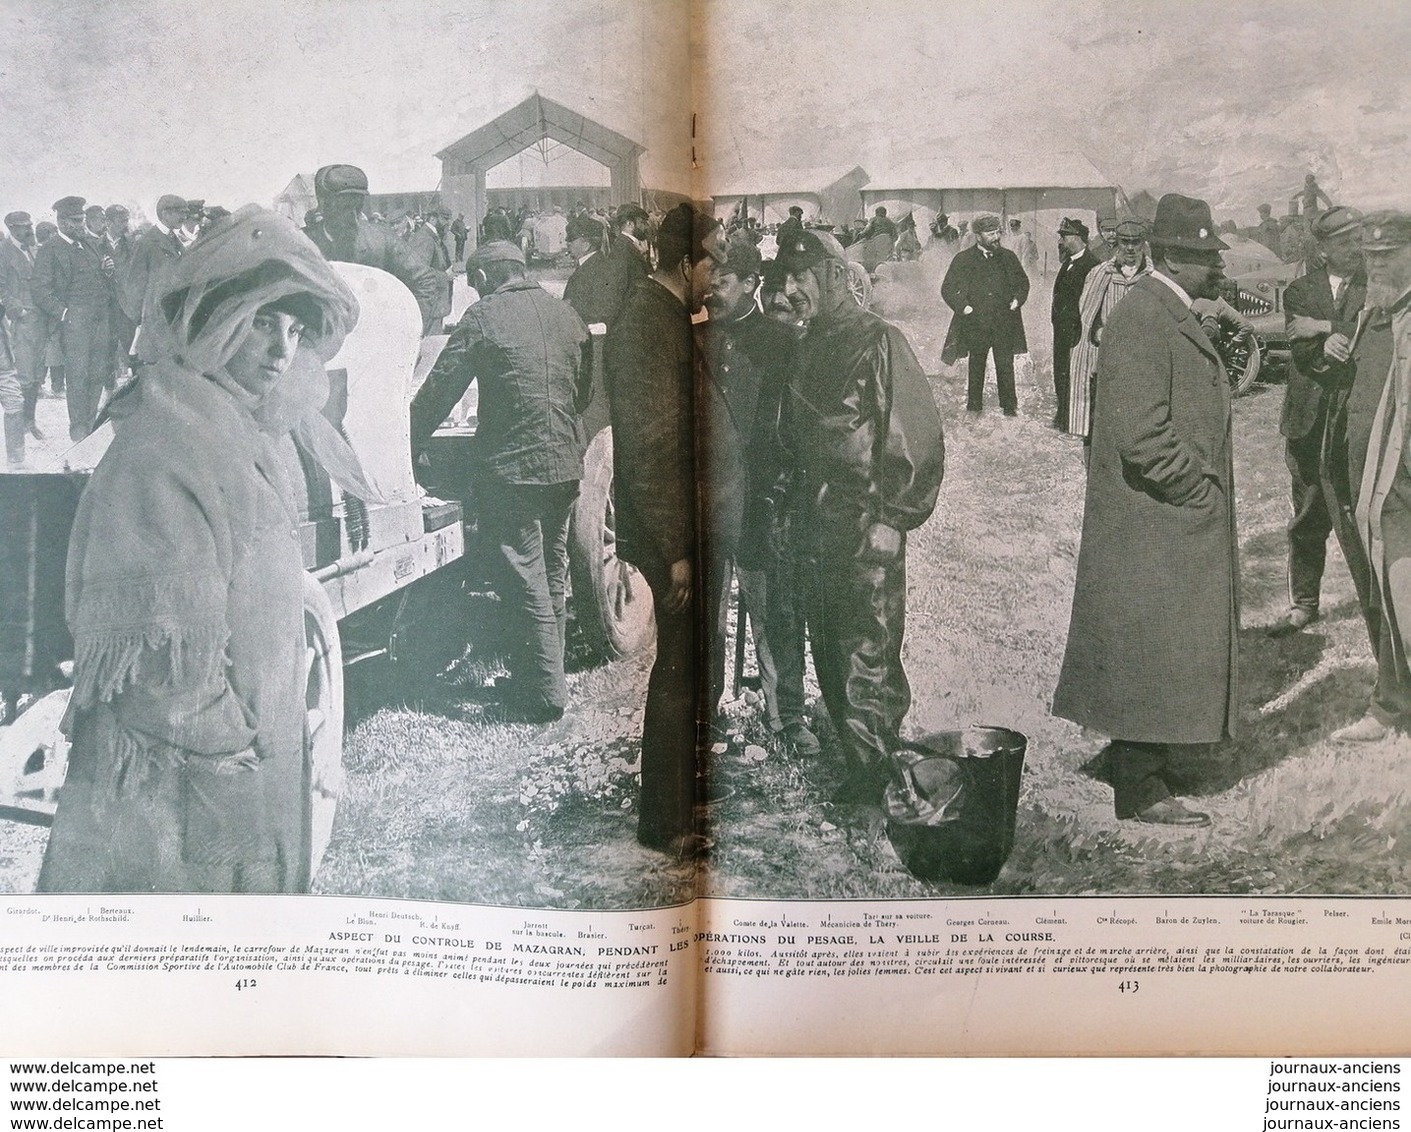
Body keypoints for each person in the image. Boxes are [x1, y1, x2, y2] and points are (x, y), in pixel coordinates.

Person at [37, 205, 359, 893]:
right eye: (262, 323)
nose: (280, 349)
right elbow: (161, 672)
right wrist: (237, 758)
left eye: (294, 330)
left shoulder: (241, 436)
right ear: (214, 325)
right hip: (172, 800)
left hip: (240, 769)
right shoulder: (166, 449)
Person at [1053, 193, 1237, 827]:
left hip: (1160, 514)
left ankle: (1144, 753)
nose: (1218, 269)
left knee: (1156, 639)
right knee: (1149, 640)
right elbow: (1139, 432)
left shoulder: (1166, 309)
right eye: (1207, 257)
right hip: (1155, 513)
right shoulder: (1145, 314)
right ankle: (1141, 786)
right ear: (1174, 258)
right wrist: (1194, 489)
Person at [775, 228, 945, 812]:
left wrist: (893, 518)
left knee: (866, 653)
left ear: (831, 276)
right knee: (828, 646)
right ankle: (861, 766)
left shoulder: (879, 339)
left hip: (865, 523)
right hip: (814, 525)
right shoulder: (804, 343)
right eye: (786, 278)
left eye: (803, 277)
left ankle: (879, 786)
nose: (792, 289)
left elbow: (914, 436)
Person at [410, 241, 591, 723]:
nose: (475, 293)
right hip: (566, 464)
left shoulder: (484, 317)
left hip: (514, 468)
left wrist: (405, 441)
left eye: (475, 284)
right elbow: (584, 390)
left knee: (522, 573)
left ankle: (544, 695)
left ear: (487, 277)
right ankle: (544, 676)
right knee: (551, 567)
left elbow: (440, 390)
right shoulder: (566, 313)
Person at [604, 204, 720, 859]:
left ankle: (680, 796)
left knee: (688, 665)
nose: (718, 274)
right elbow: (649, 448)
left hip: (681, 525)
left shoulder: (665, 315)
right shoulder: (644, 323)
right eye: (713, 262)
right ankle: (665, 821)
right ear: (684, 263)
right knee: (678, 669)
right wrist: (676, 550)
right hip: (671, 533)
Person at [700, 237, 818, 755]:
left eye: (722, 282)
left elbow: (795, 428)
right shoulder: (696, 341)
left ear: (751, 283)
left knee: (775, 612)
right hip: (706, 501)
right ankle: (704, 713)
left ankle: (787, 716)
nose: (711, 292)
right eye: (709, 281)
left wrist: (783, 495)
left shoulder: (782, 343)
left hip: (759, 502)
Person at [1270, 206, 1366, 640]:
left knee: (1360, 514)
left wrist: (1326, 326)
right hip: (1308, 423)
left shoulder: (1374, 287)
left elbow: (1373, 329)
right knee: (1308, 516)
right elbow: (1302, 350)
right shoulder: (1299, 292)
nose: (1356, 246)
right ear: (1324, 250)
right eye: (1346, 240)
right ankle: (1304, 604)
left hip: (1354, 422)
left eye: (1359, 237)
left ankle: (1374, 601)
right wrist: (1322, 346)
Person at [1349, 211, 1411, 743]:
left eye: (1388, 254)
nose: (1377, 264)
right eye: (1370, 256)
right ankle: (1390, 703)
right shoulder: (1378, 311)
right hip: (1389, 483)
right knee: (1394, 598)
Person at [304, 163, 447, 334]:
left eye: (357, 207)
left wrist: (408, 330)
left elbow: (424, 280)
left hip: (373, 339)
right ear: (323, 204)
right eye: (343, 207)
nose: (351, 216)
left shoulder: (383, 240)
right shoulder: (301, 243)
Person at [31, 196, 113, 440]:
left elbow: (100, 279)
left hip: (100, 317)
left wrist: (108, 271)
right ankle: (78, 429)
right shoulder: (50, 249)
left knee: (98, 371)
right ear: (62, 222)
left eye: (83, 220)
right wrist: (64, 313)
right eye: (77, 221)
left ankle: (90, 423)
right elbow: (39, 289)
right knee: (78, 374)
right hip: (75, 322)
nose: (82, 225)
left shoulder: (89, 244)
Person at [1067, 218, 1152, 441]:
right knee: (1102, 431)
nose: (1131, 248)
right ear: (1118, 244)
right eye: (1125, 242)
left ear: (1143, 244)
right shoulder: (1101, 273)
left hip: (1144, 362)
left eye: (1136, 242)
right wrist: (1098, 332)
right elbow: (1085, 317)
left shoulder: (1152, 276)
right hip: (1107, 359)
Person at [940, 213, 1030, 415]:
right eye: (990, 233)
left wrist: (1017, 300)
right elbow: (947, 288)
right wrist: (963, 307)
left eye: (998, 232)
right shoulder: (963, 259)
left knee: (1005, 365)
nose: (996, 237)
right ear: (978, 236)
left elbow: (1023, 283)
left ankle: (1009, 408)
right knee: (976, 365)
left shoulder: (1008, 257)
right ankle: (974, 407)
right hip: (975, 324)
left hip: (1003, 323)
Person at [119, 193, 188, 362]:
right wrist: (142, 318)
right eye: (180, 212)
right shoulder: (147, 243)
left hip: (175, 315)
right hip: (155, 317)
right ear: (165, 214)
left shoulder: (175, 241)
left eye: (185, 212)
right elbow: (134, 284)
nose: (184, 217)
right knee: (155, 364)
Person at [1049, 217, 1099, 432]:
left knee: (1075, 376)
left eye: (1065, 236)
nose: (1061, 241)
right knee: (1061, 372)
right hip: (1062, 330)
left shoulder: (1092, 266)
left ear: (1078, 238)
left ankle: (1073, 420)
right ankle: (1063, 417)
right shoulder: (1068, 262)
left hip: (1078, 331)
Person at [0, 211, 45, 448]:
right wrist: (19, 312)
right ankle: (23, 423)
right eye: (22, 227)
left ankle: (30, 420)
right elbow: (2, 289)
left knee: (37, 374)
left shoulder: (32, 248)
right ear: (10, 227)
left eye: (29, 225)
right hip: (20, 322)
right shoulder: (3, 252)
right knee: (24, 374)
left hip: (39, 320)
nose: (28, 229)